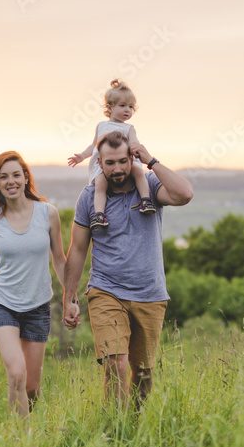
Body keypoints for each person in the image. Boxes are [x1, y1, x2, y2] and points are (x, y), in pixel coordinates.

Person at [62, 131, 193, 407]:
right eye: (110, 163)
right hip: (106, 290)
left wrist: (151, 160)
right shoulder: (89, 197)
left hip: (150, 293)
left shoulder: (150, 185)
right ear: (99, 161)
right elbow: (76, 249)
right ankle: (115, 434)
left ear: (131, 157)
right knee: (115, 364)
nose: (117, 169)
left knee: (143, 372)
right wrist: (69, 297)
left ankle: (132, 427)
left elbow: (185, 194)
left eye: (123, 161)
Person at [0, 151, 66, 421]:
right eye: (3, 177)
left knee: (31, 387)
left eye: (16, 174)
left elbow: (59, 260)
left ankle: (25, 424)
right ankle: (21, 444)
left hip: (37, 307)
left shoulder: (48, 214)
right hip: (2, 304)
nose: (10, 181)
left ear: (26, 177)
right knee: (16, 373)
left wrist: (70, 298)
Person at [67, 79, 155, 230]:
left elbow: (134, 142)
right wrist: (82, 156)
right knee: (101, 184)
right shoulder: (101, 126)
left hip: (125, 163)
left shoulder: (129, 128)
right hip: (103, 165)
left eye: (130, 107)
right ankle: (99, 215)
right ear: (110, 107)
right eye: (122, 106)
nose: (127, 110)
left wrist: (137, 150)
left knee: (139, 172)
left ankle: (145, 200)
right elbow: (94, 145)